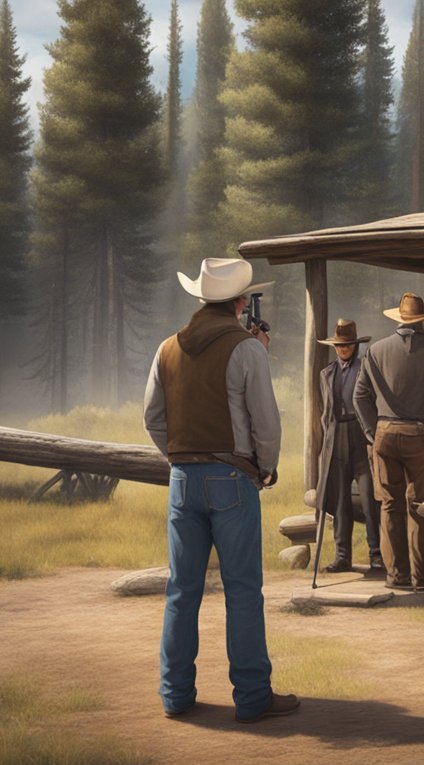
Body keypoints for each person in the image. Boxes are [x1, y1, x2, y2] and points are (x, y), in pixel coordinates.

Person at [143, 257, 300, 723]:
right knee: (243, 592)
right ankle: (251, 699)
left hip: (181, 480)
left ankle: (175, 696)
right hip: (232, 479)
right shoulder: (246, 348)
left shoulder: (167, 347)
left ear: (200, 299)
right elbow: (266, 421)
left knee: (181, 591)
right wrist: (263, 468)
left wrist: (179, 457)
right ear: (238, 303)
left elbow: (153, 419)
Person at [354, 293, 424, 592]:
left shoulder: (376, 350)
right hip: (417, 433)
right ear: (422, 319)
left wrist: (371, 432)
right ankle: (422, 578)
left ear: (398, 319)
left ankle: (396, 576)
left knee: (389, 506)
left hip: (384, 433)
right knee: (420, 507)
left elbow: (359, 397)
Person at [315, 319, 382, 574]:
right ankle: (342, 556)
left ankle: (376, 555)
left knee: (369, 499)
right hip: (337, 436)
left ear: (355, 345)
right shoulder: (327, 374)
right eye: (340, 345)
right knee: (340, 500)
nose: (343, 349)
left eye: (348, 345)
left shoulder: (366, 368)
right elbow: (325, 413)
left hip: (361, 433)